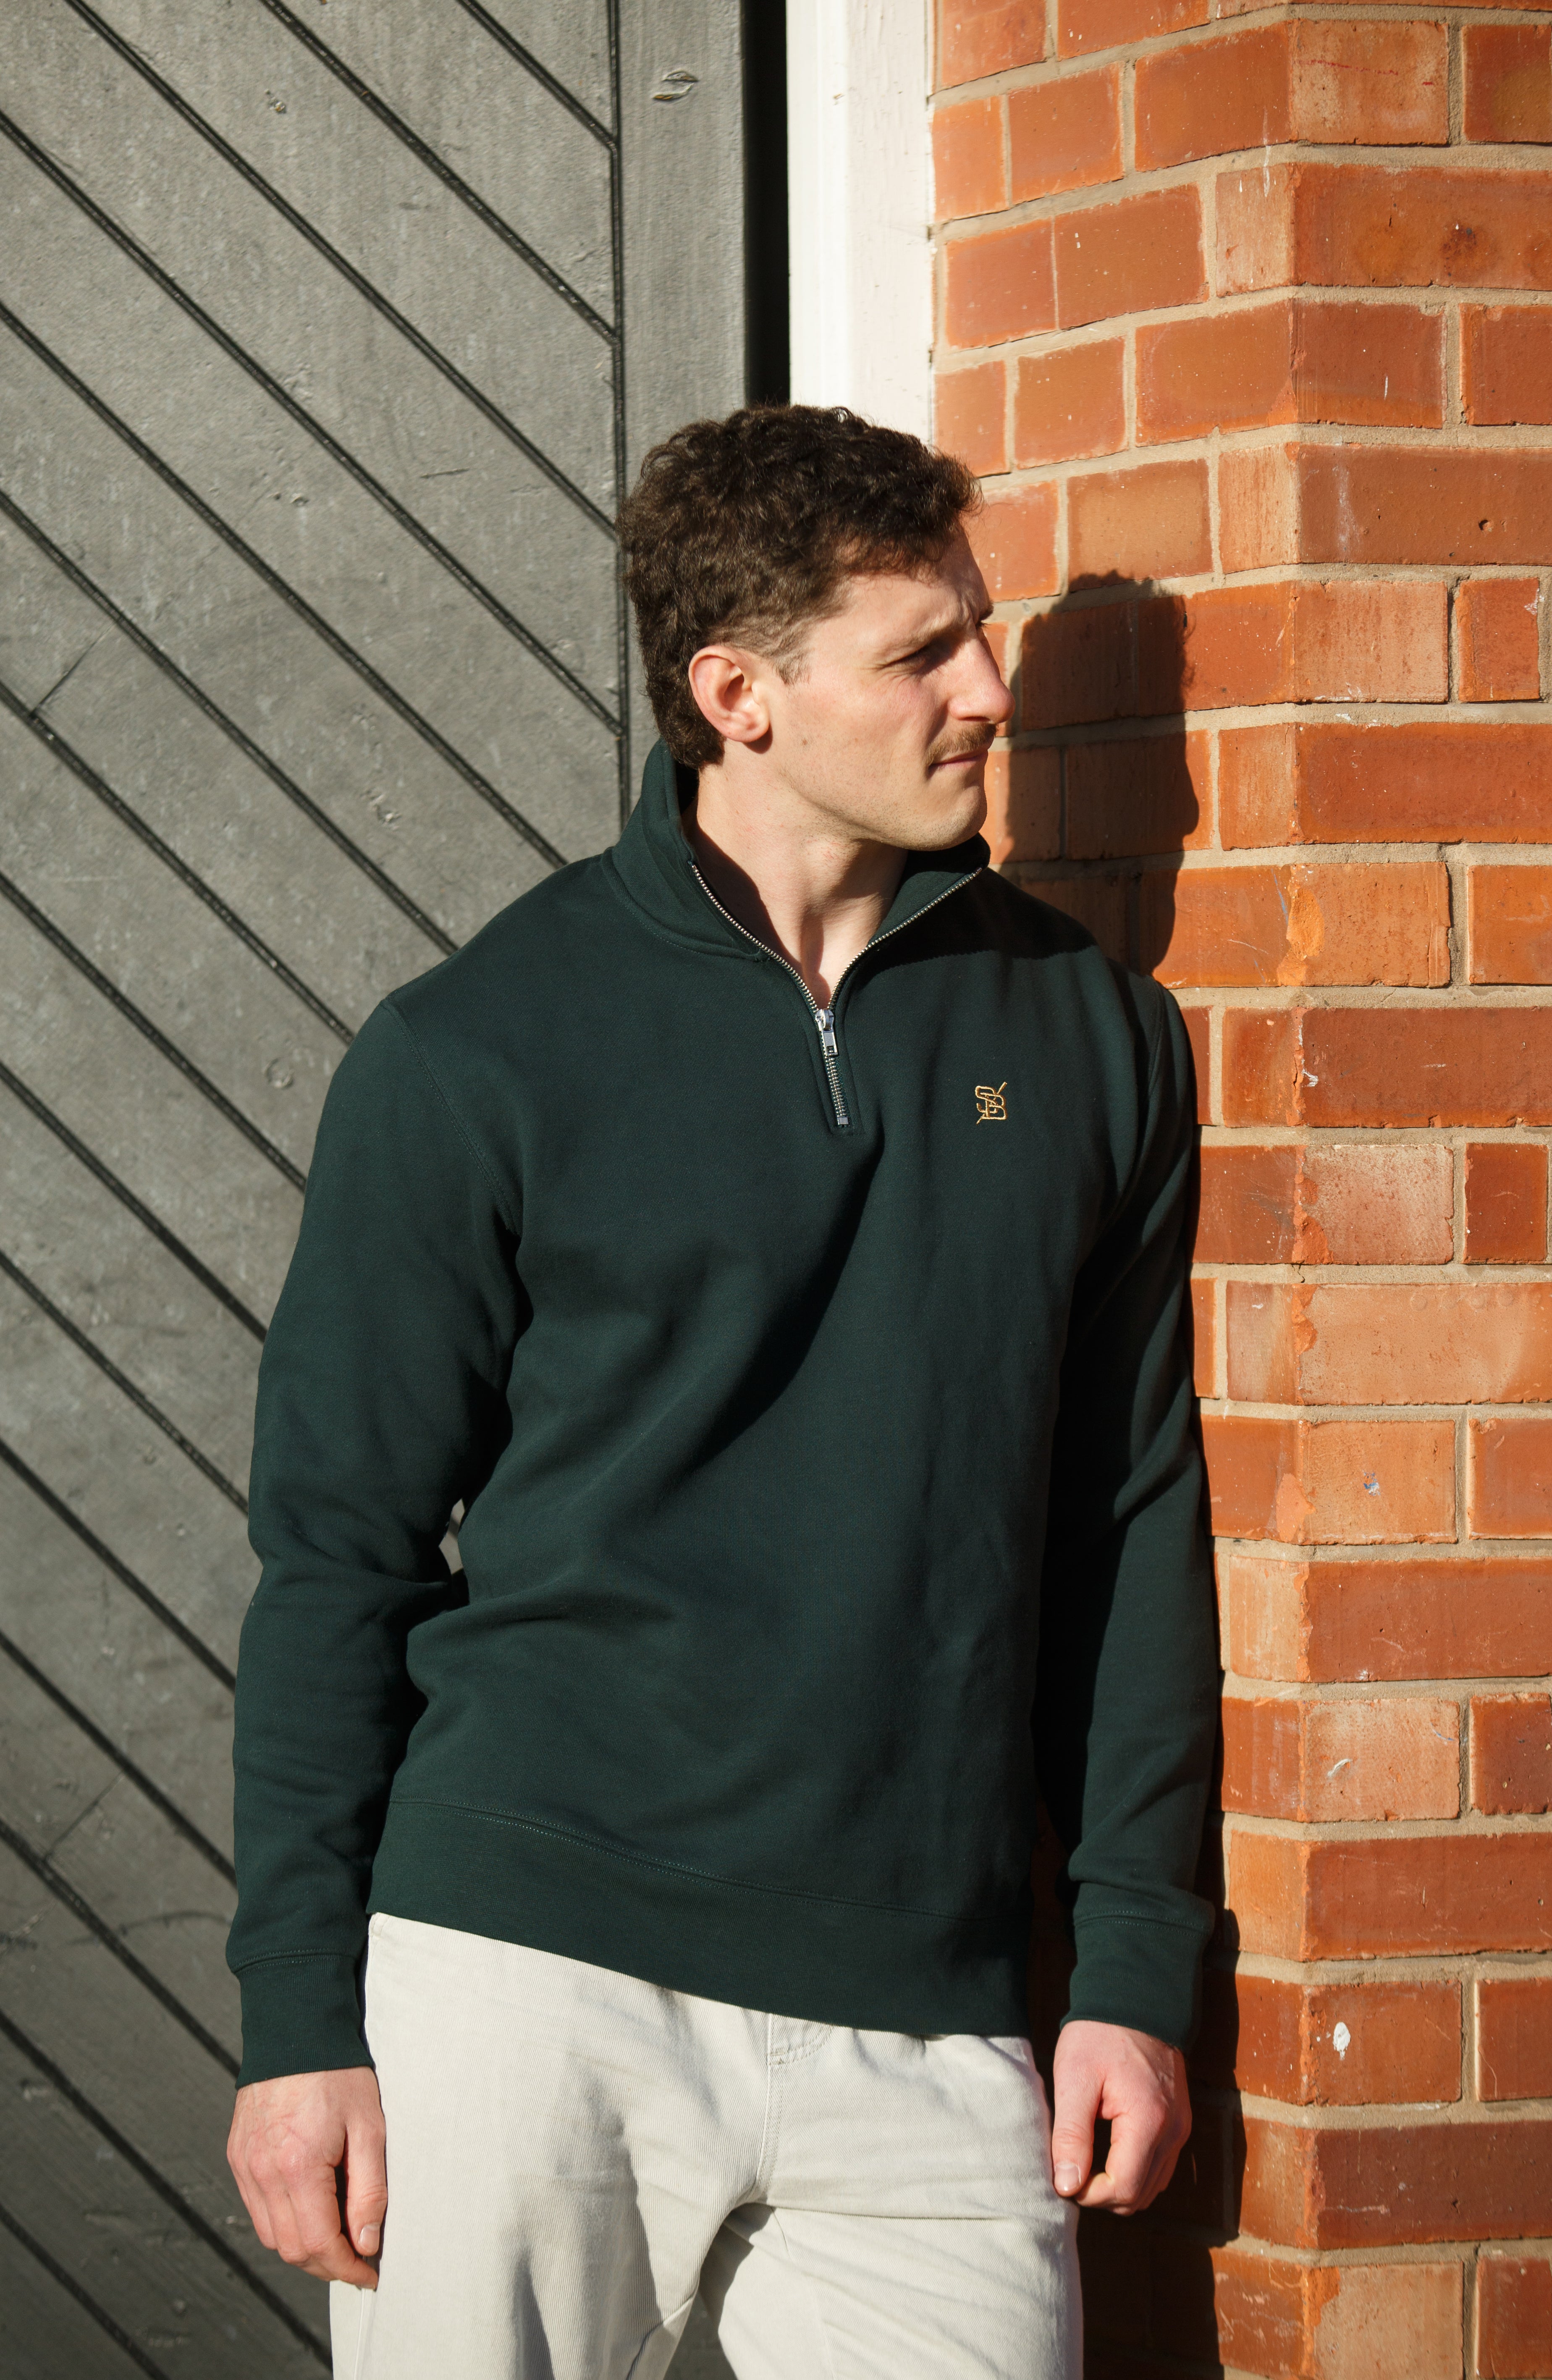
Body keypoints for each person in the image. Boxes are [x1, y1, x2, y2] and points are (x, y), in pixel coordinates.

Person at [225, 404, 1219, 2380]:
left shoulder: (1093, 1037)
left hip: (929, 2012)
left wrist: (1132, 1963)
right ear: (738, 697)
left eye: (982, 630)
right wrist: (301, 2022)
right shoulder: (479, 1049)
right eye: (922, 651)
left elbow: (1129, 1520)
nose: (990, 690)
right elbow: (340, 1556)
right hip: (529, 1972)